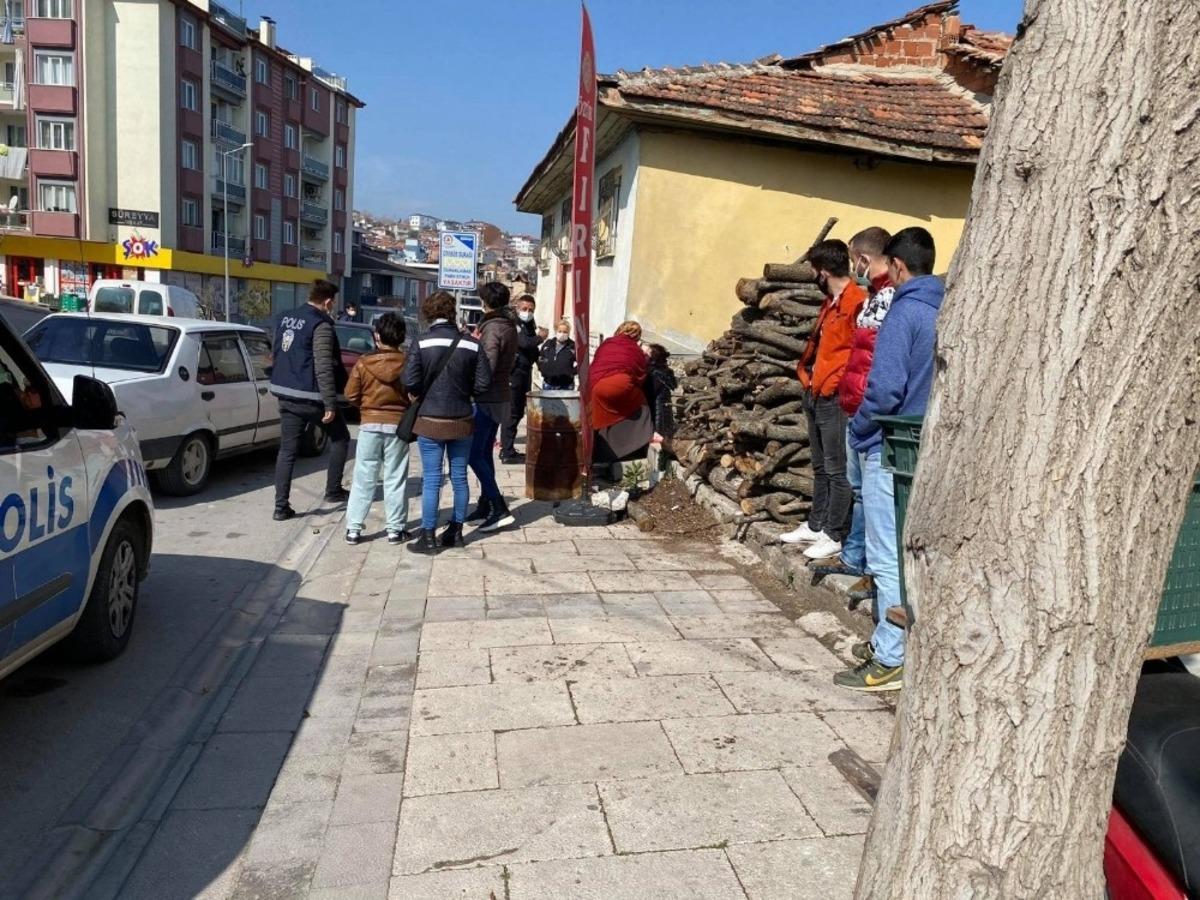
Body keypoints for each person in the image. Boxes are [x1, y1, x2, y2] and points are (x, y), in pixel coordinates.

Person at [835, 226, 942, 693]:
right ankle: (892, 641)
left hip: (889, 443)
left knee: (885, 557)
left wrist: (860, 430)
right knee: (909, 552)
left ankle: (889, 658)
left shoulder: (904, 311)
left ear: (897, 266)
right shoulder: (944, 308)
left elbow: (883, 389)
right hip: (925, 444)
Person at [811, 227, 896, 609]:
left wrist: (863, 408)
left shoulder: (881, 299)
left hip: (867, 409)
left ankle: (874, 571)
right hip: (852, 402)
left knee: (870, 496)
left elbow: (873, 360)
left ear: (862, 259)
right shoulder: (874, 296)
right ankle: (854, 555)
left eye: (853, 259)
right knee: (856, 487)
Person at [779, 240, 866, 561]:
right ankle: (816, 524)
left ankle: (834, 532)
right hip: (816, 391)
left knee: (836, 468)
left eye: (815, 271)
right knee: (820, 465)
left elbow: (857, 352)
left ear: (823, 272)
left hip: (835, 395)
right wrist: (809, 381)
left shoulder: (856, 302)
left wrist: (834, 384)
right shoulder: (831, 303)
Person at [403, 290, 491, 553]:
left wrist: (421, 392)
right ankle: (456, 531)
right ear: (452, 313)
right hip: (462, 419)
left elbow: (410, 380)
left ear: (428, 314)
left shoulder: (421, 342)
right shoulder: (472, 344)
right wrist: (465, 393)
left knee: (431, 478)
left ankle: (428, 536)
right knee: (460, 477)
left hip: (429, 419)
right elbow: (484, 383)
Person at [270, 279, 351, 521]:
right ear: (328, 302)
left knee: (287, 450)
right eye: (333, 303)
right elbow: (323, 365)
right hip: (311, 397)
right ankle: (333, 490)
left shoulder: (284, 318)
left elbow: (277, 352)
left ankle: (280, 507)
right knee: (341, 437)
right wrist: (330, 403)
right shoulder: (321, 325)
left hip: (285, 392)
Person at [344, 313, 412, 546]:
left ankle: (353, 529)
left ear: (377, 336)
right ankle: (395, 530)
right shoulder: (407, 362)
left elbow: (350, 394)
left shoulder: (363, 362)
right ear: (402, 337)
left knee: (363, 477)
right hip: (398, 426)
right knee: (396, 478)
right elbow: (414, 394)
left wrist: (366, 407)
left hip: (369, 424)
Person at [466, 281, 519, 533]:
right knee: (484, 453)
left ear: (485, 302)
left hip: (486, 399)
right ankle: (486, 503)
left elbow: (487, 365)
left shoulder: (492, 328)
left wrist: (472, 390)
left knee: (473, 454)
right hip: (500, 396)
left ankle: (498, 506)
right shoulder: (508, 325)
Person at [587, 320, 652, 462]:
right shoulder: (634, 349)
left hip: (596, 386)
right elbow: (640, 373)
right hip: (620, 385)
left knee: (599, 419)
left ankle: (595, 454)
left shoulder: (607, 343)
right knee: (641, 406)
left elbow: (597, 361)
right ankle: (631, 448)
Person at [499, 293, 539, 463]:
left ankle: (508, 449)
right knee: (512, 412)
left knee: (518, 411)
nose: (527, 312)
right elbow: (524, 343)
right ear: (517, 308)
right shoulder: (513, 324)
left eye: (531, 310)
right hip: (514, 373)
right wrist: (540, 338)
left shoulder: (529, 325)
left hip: (524, 371)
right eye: (524, 308)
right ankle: (507, 451)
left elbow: (532, 350)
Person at [643, 343, 677, 445]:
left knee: (658, 436)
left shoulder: (653, 372)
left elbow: (650, 393)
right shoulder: (665, 371)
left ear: (653, 357)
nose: (644, 355)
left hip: (656, 410)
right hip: (664, 407)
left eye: (646, 354)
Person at [537, 319, 577, 390]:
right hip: (548, 384)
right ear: (556, 331)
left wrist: (571, 372)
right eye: (560, 331)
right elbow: (540, 358)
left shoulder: (573, 346)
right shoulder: (548, 344)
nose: (562, 334)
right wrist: (543, 369)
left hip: (566, 385)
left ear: (568, 332)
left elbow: (582, 363)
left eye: (565, 332)